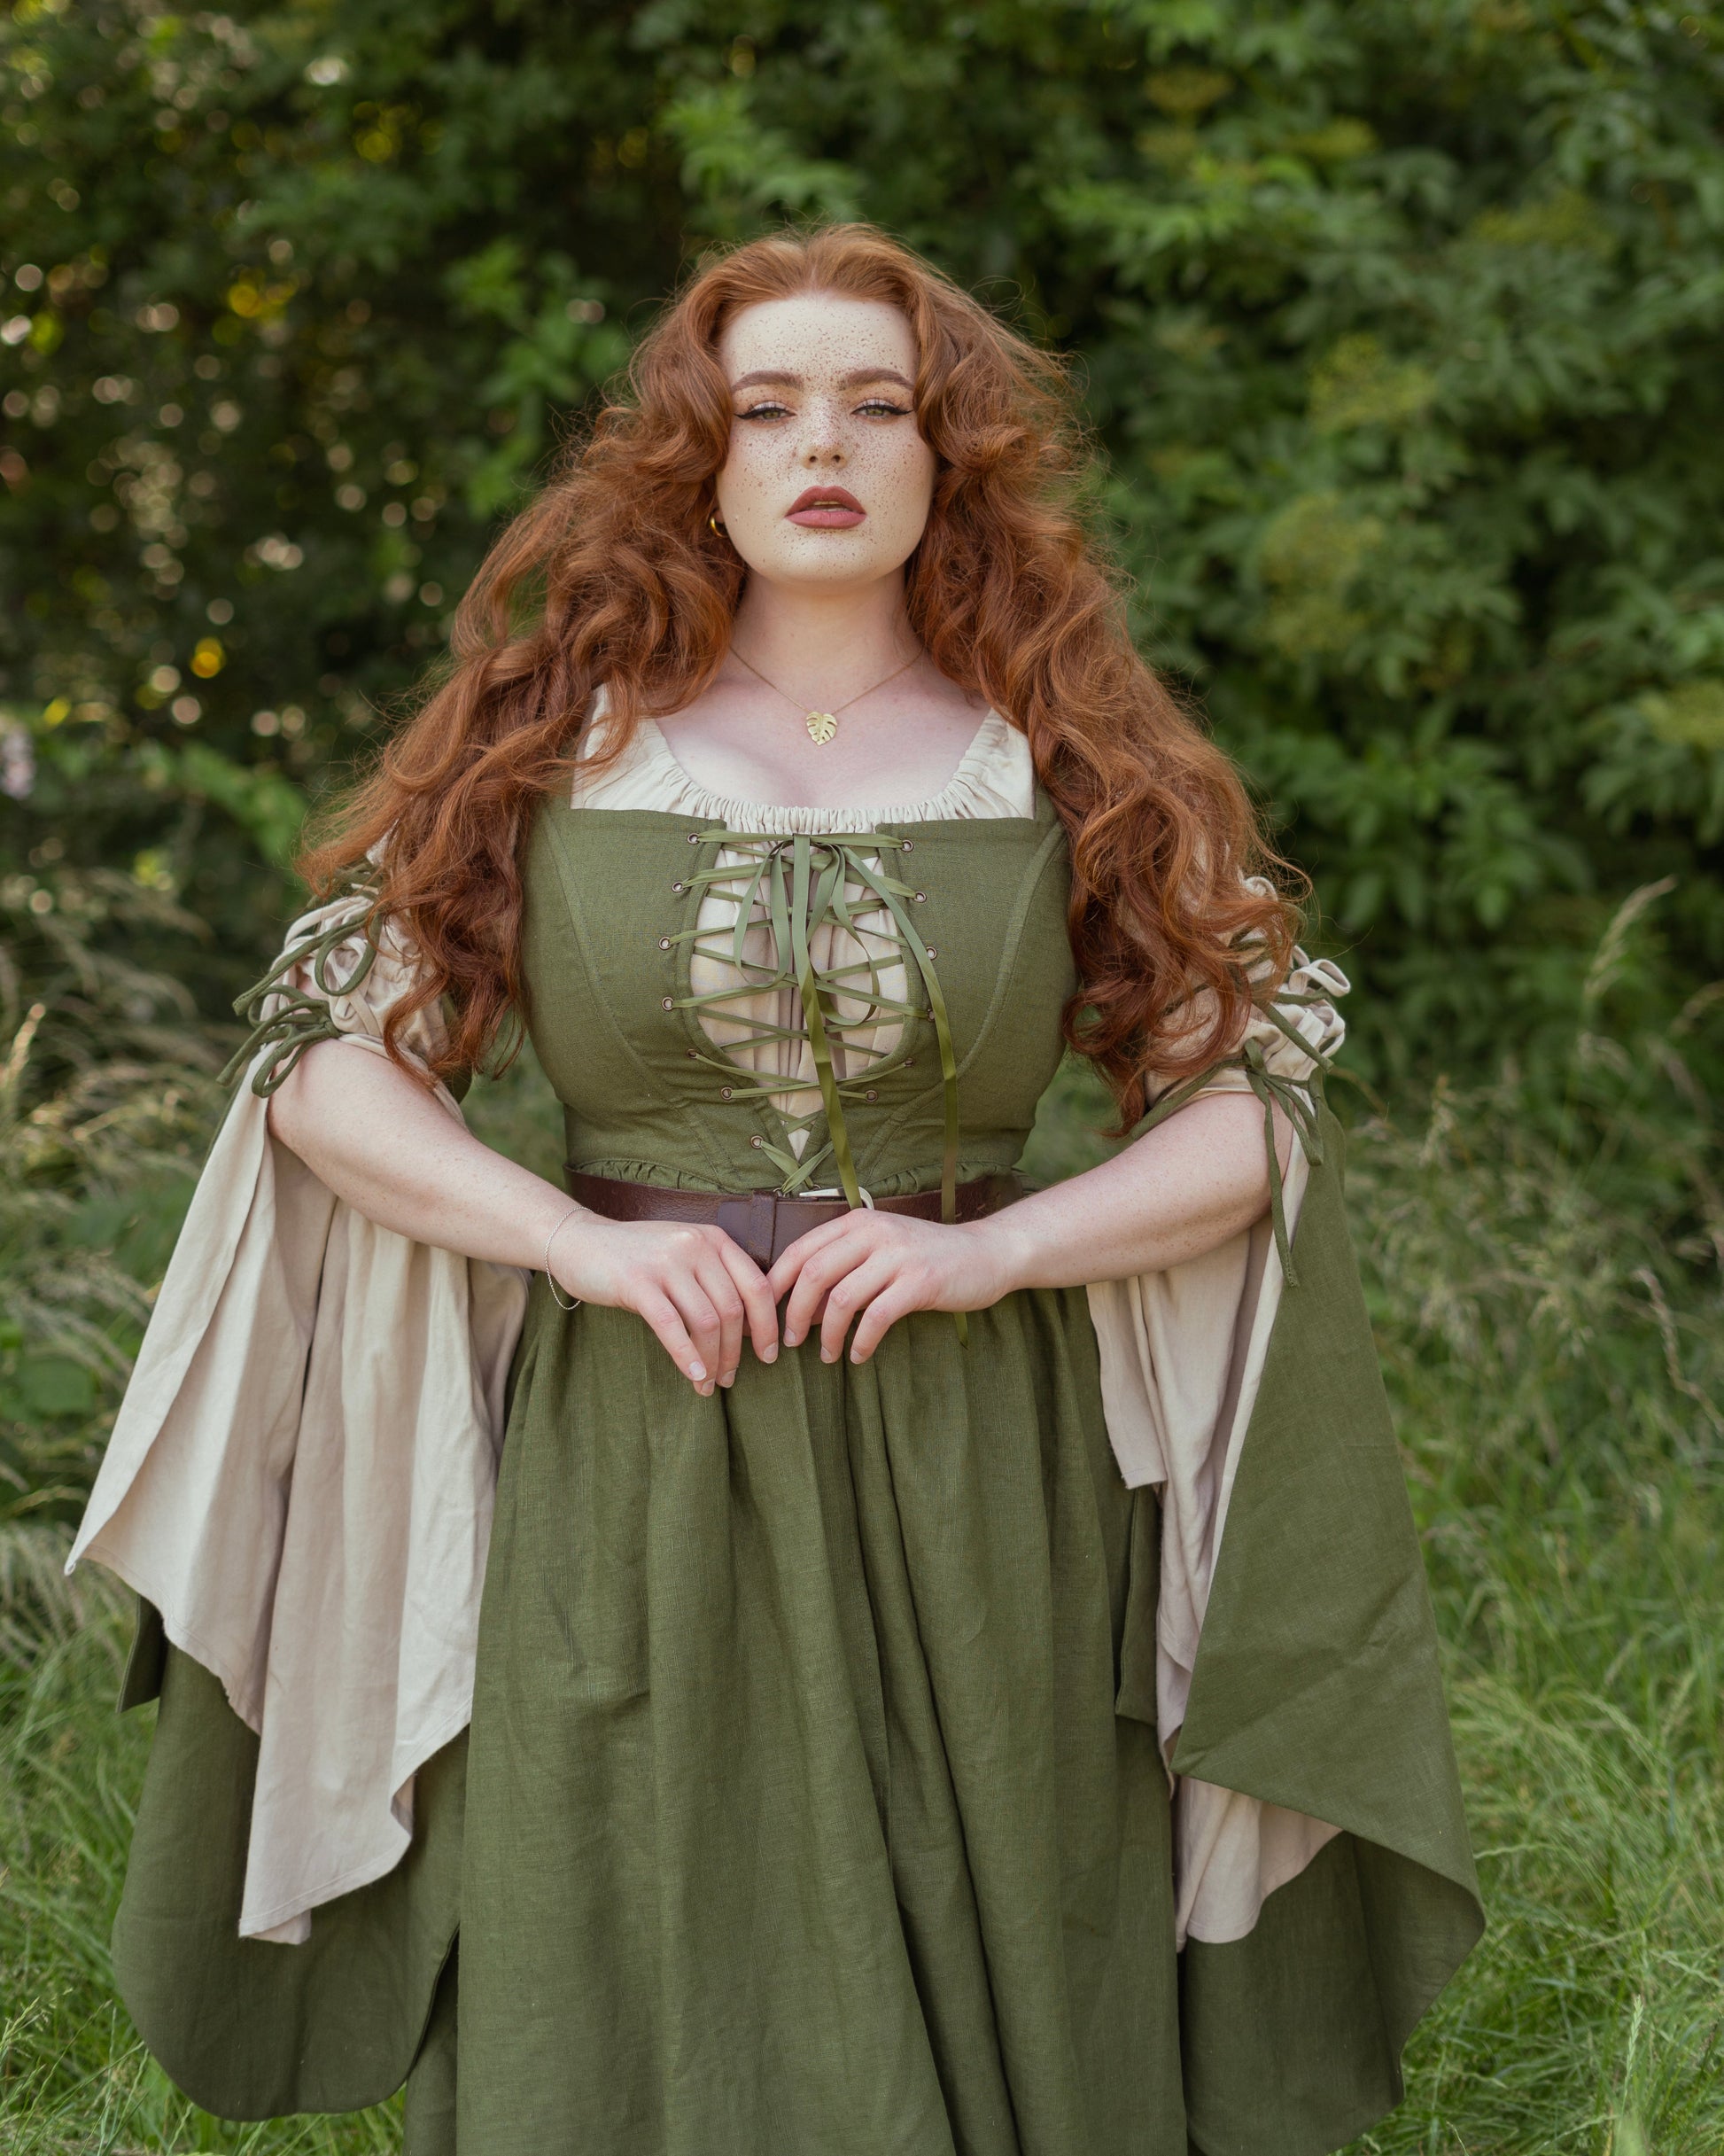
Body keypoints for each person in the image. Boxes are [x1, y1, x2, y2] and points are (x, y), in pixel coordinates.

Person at [70, 223, 1481, 2155]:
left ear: (944, 454)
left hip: (982, 1470)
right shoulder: (553, 743)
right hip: (631, 1453)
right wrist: (569, 1237)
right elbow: (322, 1067)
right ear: (698, 456)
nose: (824, 443)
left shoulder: (1058, 755)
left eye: (878, 404)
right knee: (618, 1936)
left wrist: (1004, 1249)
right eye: (767, 405)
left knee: (1008, 1945)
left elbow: (1251, 1107)